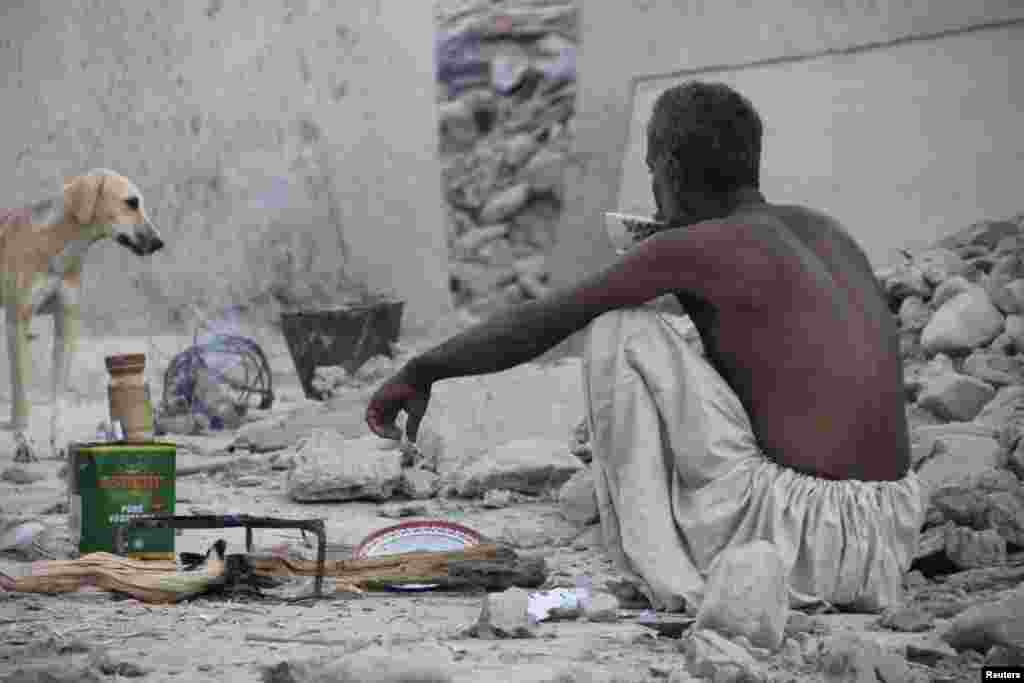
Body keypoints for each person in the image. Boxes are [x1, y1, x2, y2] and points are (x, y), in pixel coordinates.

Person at [366, 81, 925, 613]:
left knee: (620, 328)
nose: (654, 191)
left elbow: (544, 322)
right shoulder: (826, 231)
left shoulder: (692, 246)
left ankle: (665, 569)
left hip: (792, 548)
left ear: (672, 171)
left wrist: (424, 368)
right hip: (886, 541)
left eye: (653, 173)